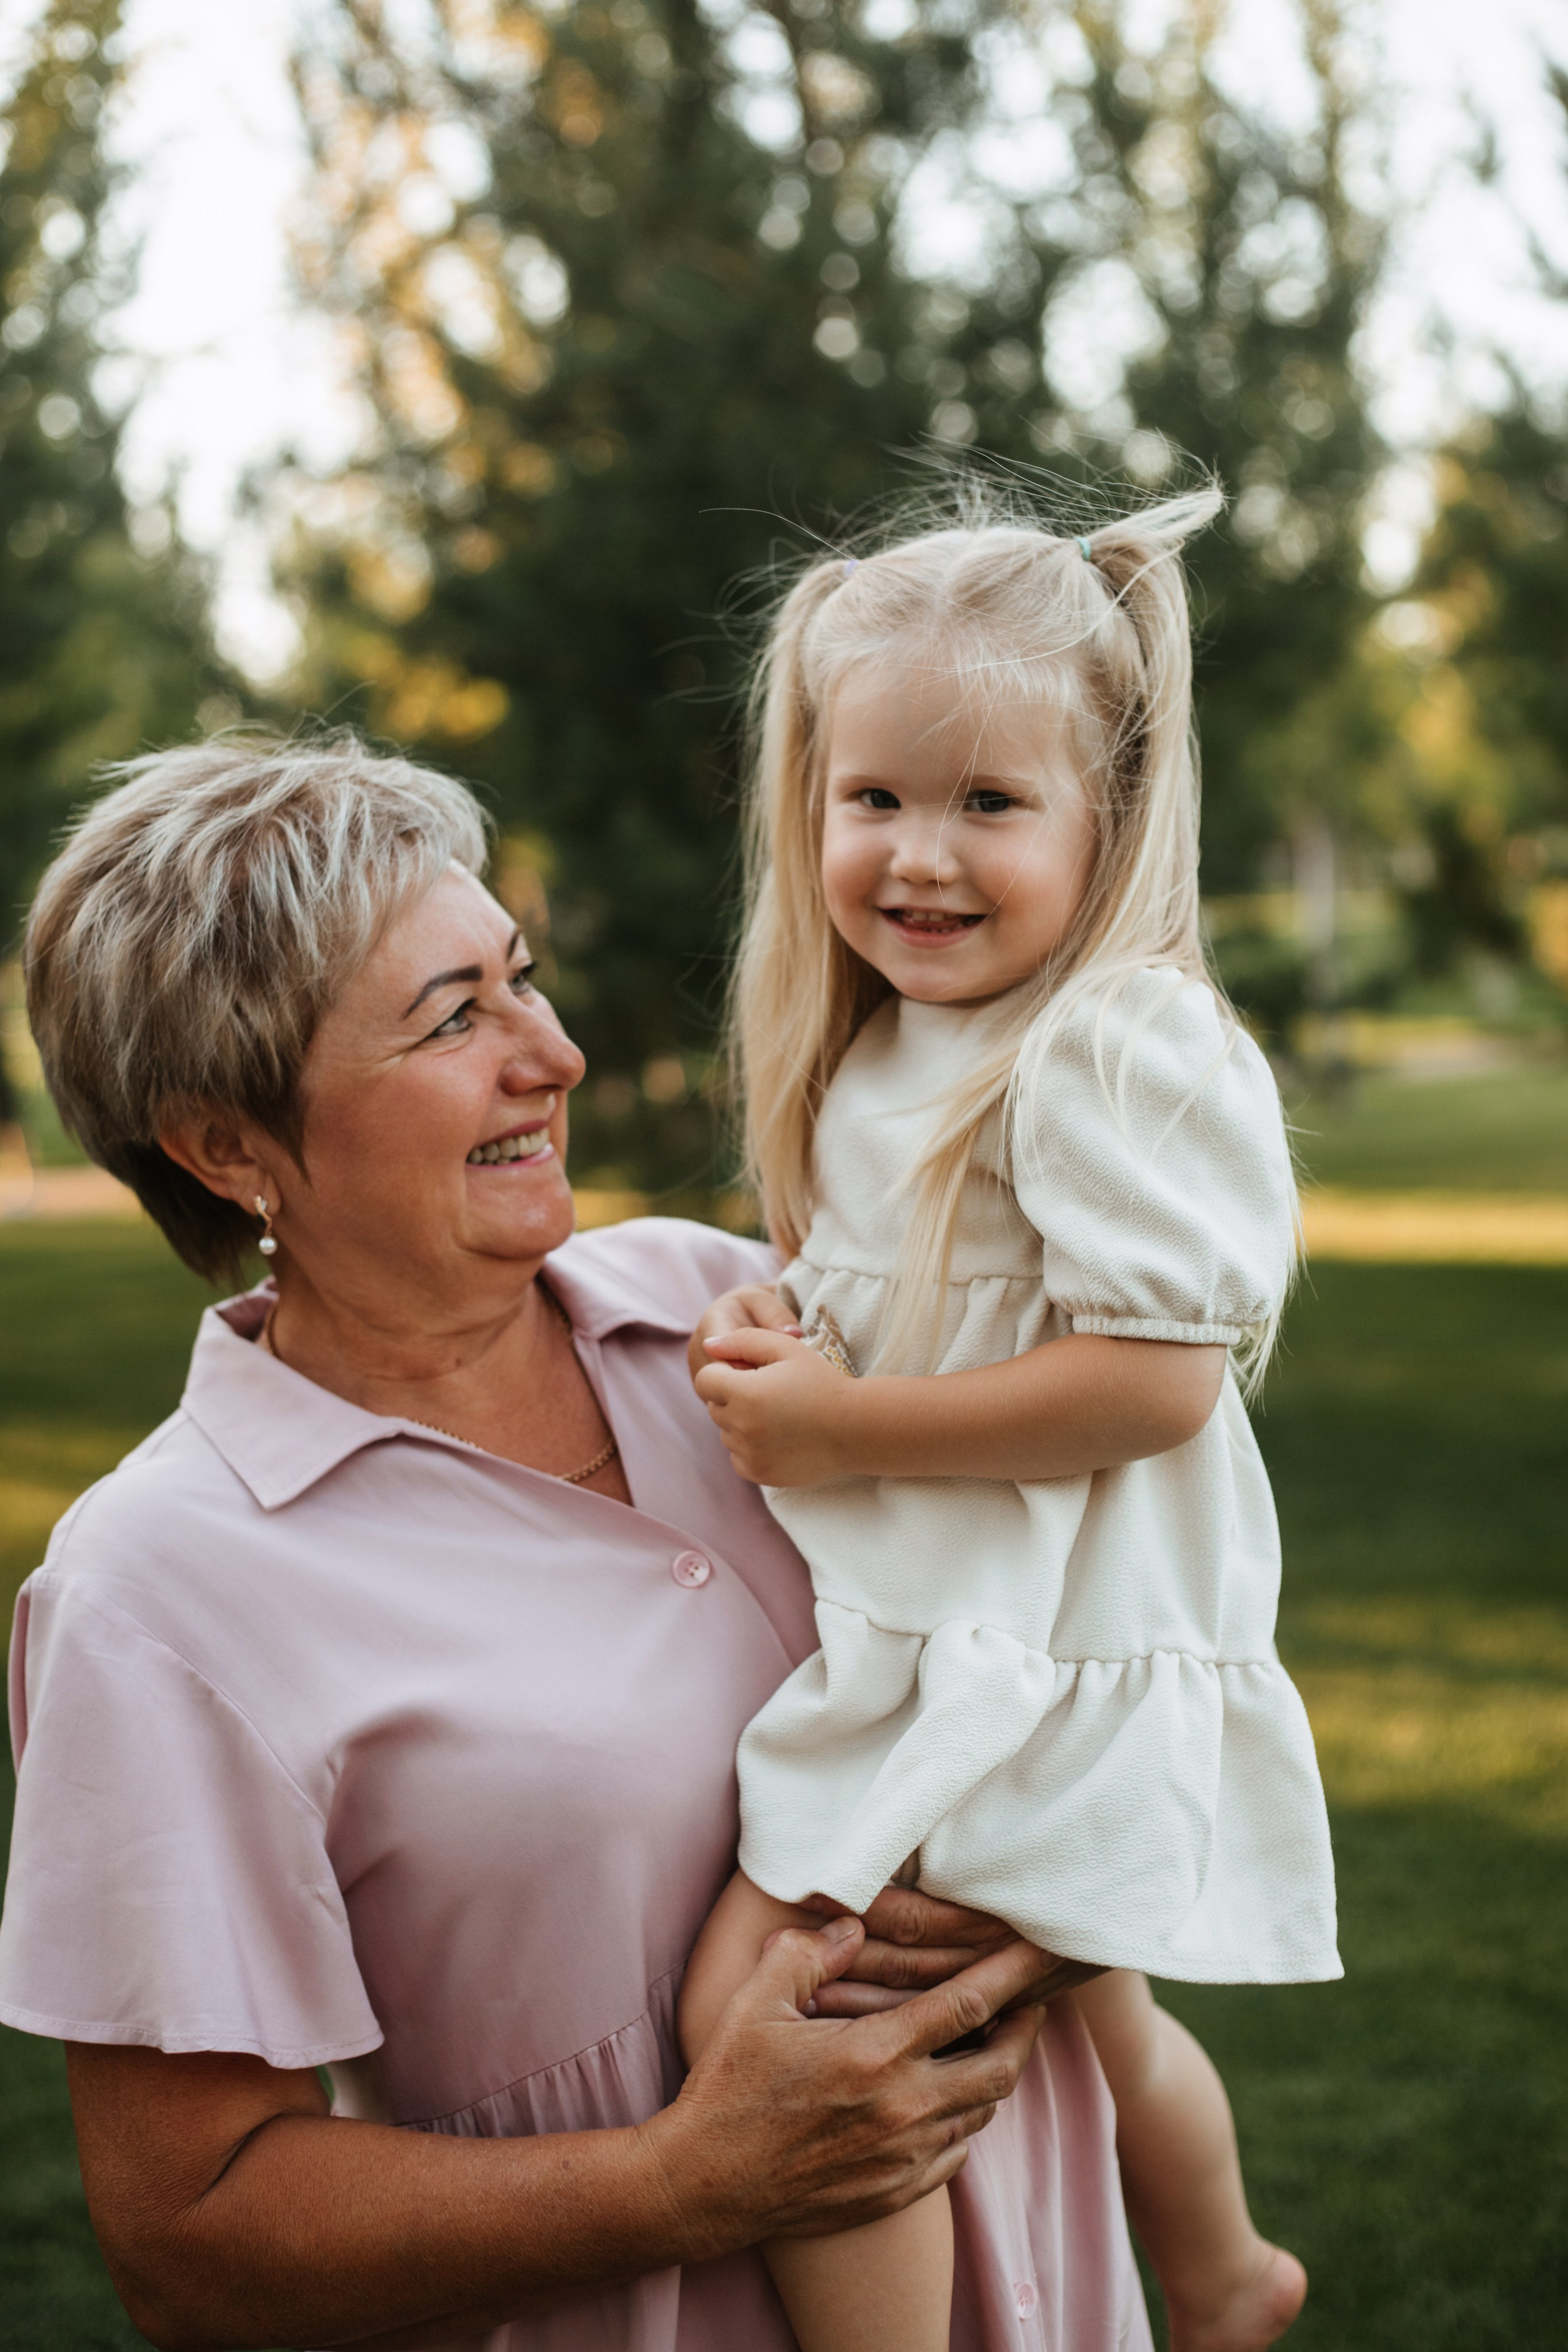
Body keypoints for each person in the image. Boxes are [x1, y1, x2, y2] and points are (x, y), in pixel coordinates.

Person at [0, 734, 1155, 2352]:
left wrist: (1046, 1893)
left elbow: (1086, 1571)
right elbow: (187, 2242)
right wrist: (691, 2182)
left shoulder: (732, 1307)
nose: (554, 1053)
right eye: (453, 1019)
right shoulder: (155, 1592)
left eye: (519, 978)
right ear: (229, 1145)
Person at [676, 489, 1338, 2352]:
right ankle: (1219, 2278)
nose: (920, 856)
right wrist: (777, 1332)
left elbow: (1154, 1378)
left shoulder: (1107, 1048)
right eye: (874, 796)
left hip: (1055, 1656)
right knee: (1095, 2009)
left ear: (1105, 820)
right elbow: (878, 1303)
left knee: (784, 2005)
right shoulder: (882, 1046)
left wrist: (844, 1426)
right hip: (968, 1628)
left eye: (990, 804)